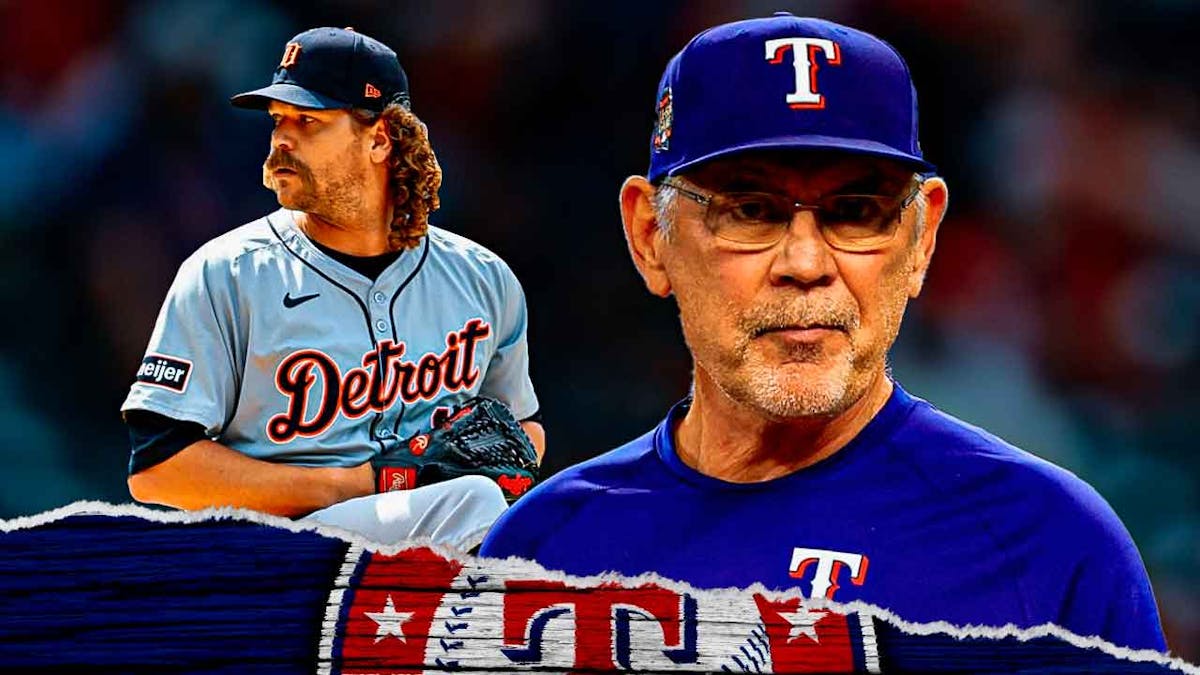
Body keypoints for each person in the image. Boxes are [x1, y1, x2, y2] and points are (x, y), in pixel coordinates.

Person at [481, 13, 1167, 651]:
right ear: (649, 238)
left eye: (857, 210)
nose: (806, 264)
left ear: (922, 238)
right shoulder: (544, 550)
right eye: (749, 209)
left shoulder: (1046, 544)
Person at [122, 27, 544, 550]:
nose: (282, 139)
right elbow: (159, 469)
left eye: (308, 121)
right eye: (278, 120)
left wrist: (510, 456)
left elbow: (518, 435)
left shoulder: (483, 280)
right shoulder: (226, 273)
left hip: (424, 565)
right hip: (279, 553)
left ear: (380, 139)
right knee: (475, 503)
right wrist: (367, 482)